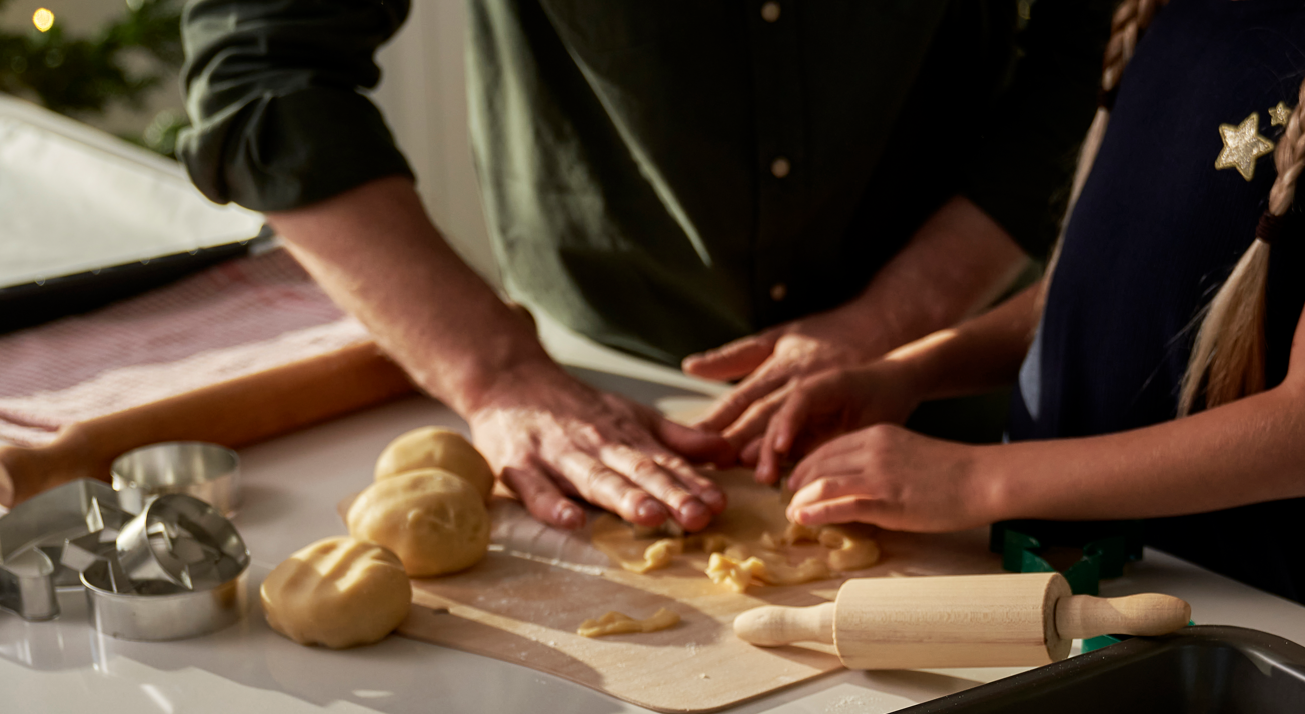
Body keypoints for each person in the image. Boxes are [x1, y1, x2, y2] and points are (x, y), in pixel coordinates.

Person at [176, 0, 1113, 532]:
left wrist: (890, 322)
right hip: (593, 384)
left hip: (963, 363)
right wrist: (497, 373)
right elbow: (265, 74)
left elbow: (1089, 55)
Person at [749, 0, 1305, 633]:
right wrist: (908, 374)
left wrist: (971, 478)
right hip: (1046, 595)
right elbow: (1088, 299)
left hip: (1227, 634)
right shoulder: (1164, 10)